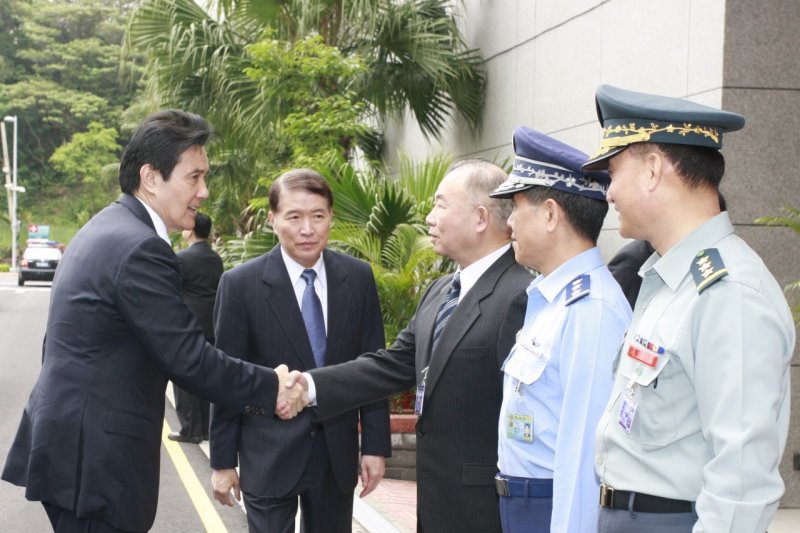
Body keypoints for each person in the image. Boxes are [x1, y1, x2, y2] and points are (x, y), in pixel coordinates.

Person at [1, 109, 306, 533]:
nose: (204, 191)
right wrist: (272, 387)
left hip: (73, 451)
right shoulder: (141, 248)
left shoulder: (104, 228)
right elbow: (189, 359)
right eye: (194, 177)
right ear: (150, 177)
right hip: (98, 463)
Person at [583, 85, 795, 532]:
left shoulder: (728, 292)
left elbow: (740, 483)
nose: (609, 194)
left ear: (654, 170)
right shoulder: (666, 279)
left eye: (614, 172)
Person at [286, 160, 533, 532]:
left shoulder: (521, 296)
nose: (430, 218)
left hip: (484, 510)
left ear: (481, 217)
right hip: (436, 504)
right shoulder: (439, 292)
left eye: (440, 205)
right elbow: (391, 366)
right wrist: (310, 385)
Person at [209, 169, 391, 533]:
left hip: (335, 454)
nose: (307, 229)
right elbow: (226, 379)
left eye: (318, 216)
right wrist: (223, 461)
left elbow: (373, 368)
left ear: (330, 218)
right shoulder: (241, 285)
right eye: (294, 217)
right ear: (273, 220)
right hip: (268, 453)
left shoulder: (357, 278)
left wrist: (374, 446)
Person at [489, 127, 631, 532]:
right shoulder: (553, 300)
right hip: (523, 505)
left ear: (551, 213)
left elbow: (585, 456)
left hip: (550, 509)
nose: (510, 221)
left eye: (516, 207)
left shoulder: (591, 310)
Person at [168, 211, 224, 443]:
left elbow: (171, 290)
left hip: (189, 324)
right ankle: (208, 428)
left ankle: (191, 429)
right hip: (212, 324)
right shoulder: (215, 258)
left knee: (185, 377)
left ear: (189, 229)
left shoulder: (182, 259)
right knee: (207, 376)